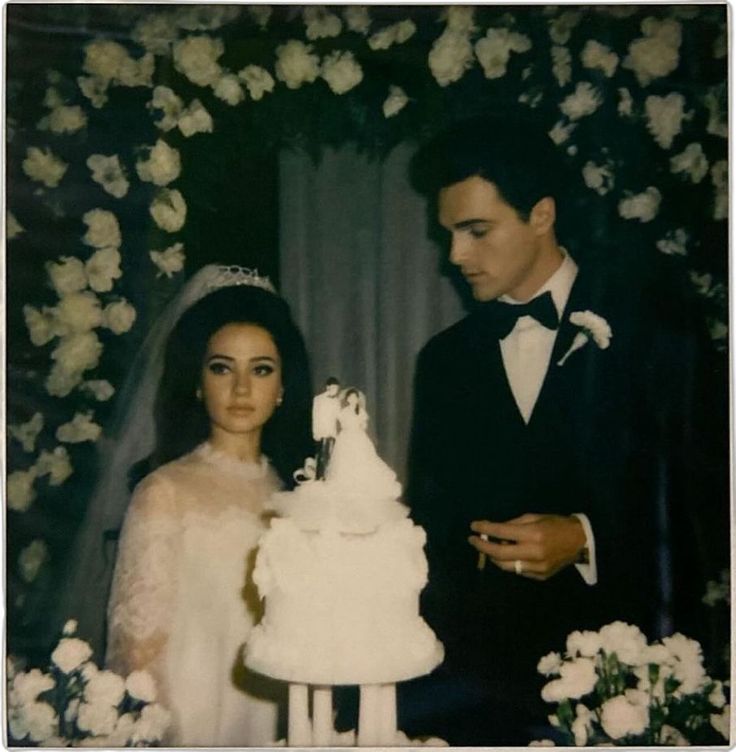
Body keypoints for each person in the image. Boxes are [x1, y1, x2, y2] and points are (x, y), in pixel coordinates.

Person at [401, 116, 728, 745]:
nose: (456, 256)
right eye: (449, 234)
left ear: (542, 215)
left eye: (476, 231)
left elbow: (707, 507)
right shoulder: (442, 362)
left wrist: (584, 538)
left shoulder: (653, 326)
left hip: (630, 686)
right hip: (480, 695)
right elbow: (434, 541)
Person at [73, 267, 313, 746]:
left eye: (261, 369)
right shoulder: (166, 492)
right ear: (198, 383)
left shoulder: (300, 496)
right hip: (193, 720)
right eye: (222, 367)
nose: (242, 389)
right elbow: (135, 656)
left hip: (274, 720)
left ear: (283, 386)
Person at [326, 388, 401, 497]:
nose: (352, 399)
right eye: (350, 397)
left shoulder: (361, 411)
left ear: (357, 399)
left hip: (358, 437)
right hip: (345, 438)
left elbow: (364, 426)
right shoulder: (343, 411)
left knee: (361, 459)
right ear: (347, 399)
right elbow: (339, 421)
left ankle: (361, 484)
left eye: (354, 397)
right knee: (345, 461)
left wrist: (360, 426)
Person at [312, 376, 341, 478]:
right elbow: (315, 416)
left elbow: (339, 416)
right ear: (327, 387)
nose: (335, 390)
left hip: (331, 432)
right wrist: (315, 432)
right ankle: (319, 478)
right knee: (321, 456)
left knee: (330, 455)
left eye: (337, 388)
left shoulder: (336, 401)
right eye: (333, 388)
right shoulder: (318, 399)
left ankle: (327, 477)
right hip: (321, 431)